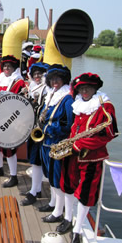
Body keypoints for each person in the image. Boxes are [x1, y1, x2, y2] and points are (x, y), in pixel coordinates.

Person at [58, 73, 118, 243]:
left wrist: (79, 144)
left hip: (91, 157)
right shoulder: (78, 104)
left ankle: (77, 231)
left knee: (86, 193)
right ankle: (68, 218)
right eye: (81, 89)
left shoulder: (105, 106)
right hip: (72, 153)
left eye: (88, 88)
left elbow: (108, 134)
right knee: (67, 185)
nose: (84, 91)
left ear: (95, 89)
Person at [38, 64, 74, 224]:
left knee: (57, 177)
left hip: (57, 144)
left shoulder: (67, 98)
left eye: (58, 79)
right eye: (52, 79)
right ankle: (53, 203)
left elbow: (68, 125)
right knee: (50, 175)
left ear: (64, 80)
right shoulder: (52, 95)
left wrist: (48, 128)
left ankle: (58, 212)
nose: (55, 82)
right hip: (47, 142)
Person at [0, 55, 26, 187]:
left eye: (9, 66)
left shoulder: (19, 82)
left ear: (14, 68)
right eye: (4, 66)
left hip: (10, 118)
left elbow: (21, 103)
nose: (6, 68)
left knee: (8, 148)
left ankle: (13, 176)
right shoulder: (1, 79)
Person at [20, 62, 50, 205]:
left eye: (41, 73)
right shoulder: (32, 88)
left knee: (39, 161)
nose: (37, 76)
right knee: (34, 160)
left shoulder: (48, 91)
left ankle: (35, 191)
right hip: (33, 129)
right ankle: (36, 189)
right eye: (35, 73)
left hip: (44, 131)